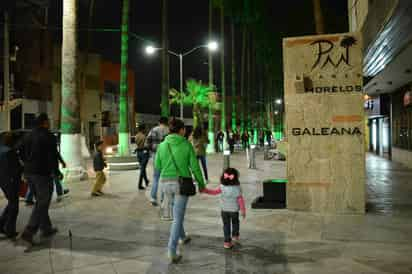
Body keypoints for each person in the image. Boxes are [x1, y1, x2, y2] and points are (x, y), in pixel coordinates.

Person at [155, 119, 206, 263]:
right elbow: (195, 167)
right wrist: (201, 183)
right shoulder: (186, 144)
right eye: (184, 129)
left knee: (176, 212)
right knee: (177, 218)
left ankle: (183, 237)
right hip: (181, 183)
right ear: (181, 130)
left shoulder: (162, 145)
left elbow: (157, 165)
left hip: (165, 183)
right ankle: (172, 250)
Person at [18, 113, 60, 246]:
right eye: (48, 121)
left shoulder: (27, 136)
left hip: (29, 172)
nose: (49, 123)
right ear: (44, 122)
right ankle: (29, 231)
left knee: (41, 200)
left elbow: (21, 152)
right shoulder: (48, 136)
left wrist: (28, 164)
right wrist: (56, 171)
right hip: (42, 174)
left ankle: (46, 228)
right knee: (43, 201)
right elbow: (52, 156)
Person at [202, 168, 246, 249]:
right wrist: (243, 211)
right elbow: (240, 200)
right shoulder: (237, 187)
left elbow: (214, 192)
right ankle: (235, 236)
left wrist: (206, 190)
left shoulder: (222, 187)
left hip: (224, 210)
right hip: (234, 210)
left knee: (226, 225)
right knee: (235, 223)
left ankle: (227, 242)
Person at [0, 132, 23, 239]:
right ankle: (10, 230)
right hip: (11, 181)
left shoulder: (2, 149)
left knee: (11, 203)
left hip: (3, 180)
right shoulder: (10, 152)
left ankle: (1, 224)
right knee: (14, 206)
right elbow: (15, 169)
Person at [145, 117, 169, 206]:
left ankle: (153, 198)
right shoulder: (169, 131)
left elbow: (147, 142)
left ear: (159, 122)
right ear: (167, 123)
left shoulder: (154, 129)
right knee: (164, 178)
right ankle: (163, 199)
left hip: (156, 155)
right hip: (167, 156)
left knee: (156, 177)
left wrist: (152, 150)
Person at [135, 124, 149, 190]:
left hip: (138, 153)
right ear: (143, 129)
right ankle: (140, 184)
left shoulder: (136, 136)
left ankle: (146, 181)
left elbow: (137, 144)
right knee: (142, 169)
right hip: (144, 153)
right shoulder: (144, 136)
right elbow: (146, 145)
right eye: (145, 129)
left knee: (143, 168)